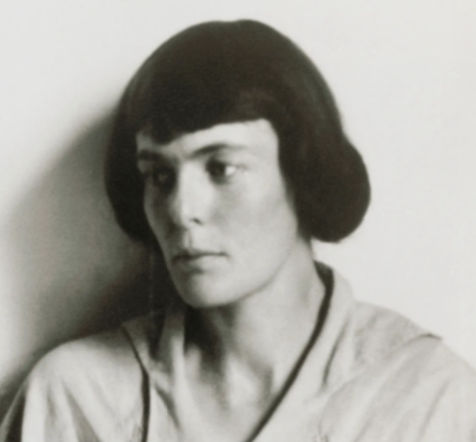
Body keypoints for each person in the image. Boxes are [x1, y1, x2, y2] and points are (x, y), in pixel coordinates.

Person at [1, 19, 475, 442]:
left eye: (222, 168)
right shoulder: (77, 397)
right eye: (159, 175)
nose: (181, 210)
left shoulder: (431, 398)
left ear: (302, 173)